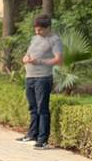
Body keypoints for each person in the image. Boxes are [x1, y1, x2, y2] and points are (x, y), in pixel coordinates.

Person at [17, 15, 63, 149]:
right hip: (29, 77)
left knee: (42, 109)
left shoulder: (54, 40)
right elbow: (28, 54)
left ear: (48, 27)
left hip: (43, 78)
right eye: (36, 30)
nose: (37, 32)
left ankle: (43, 140)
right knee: (32, 107)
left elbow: (59, 60)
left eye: (40, 30)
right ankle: (32, 135)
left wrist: (39, 62)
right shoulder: (34, 38)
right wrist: (25, 58)